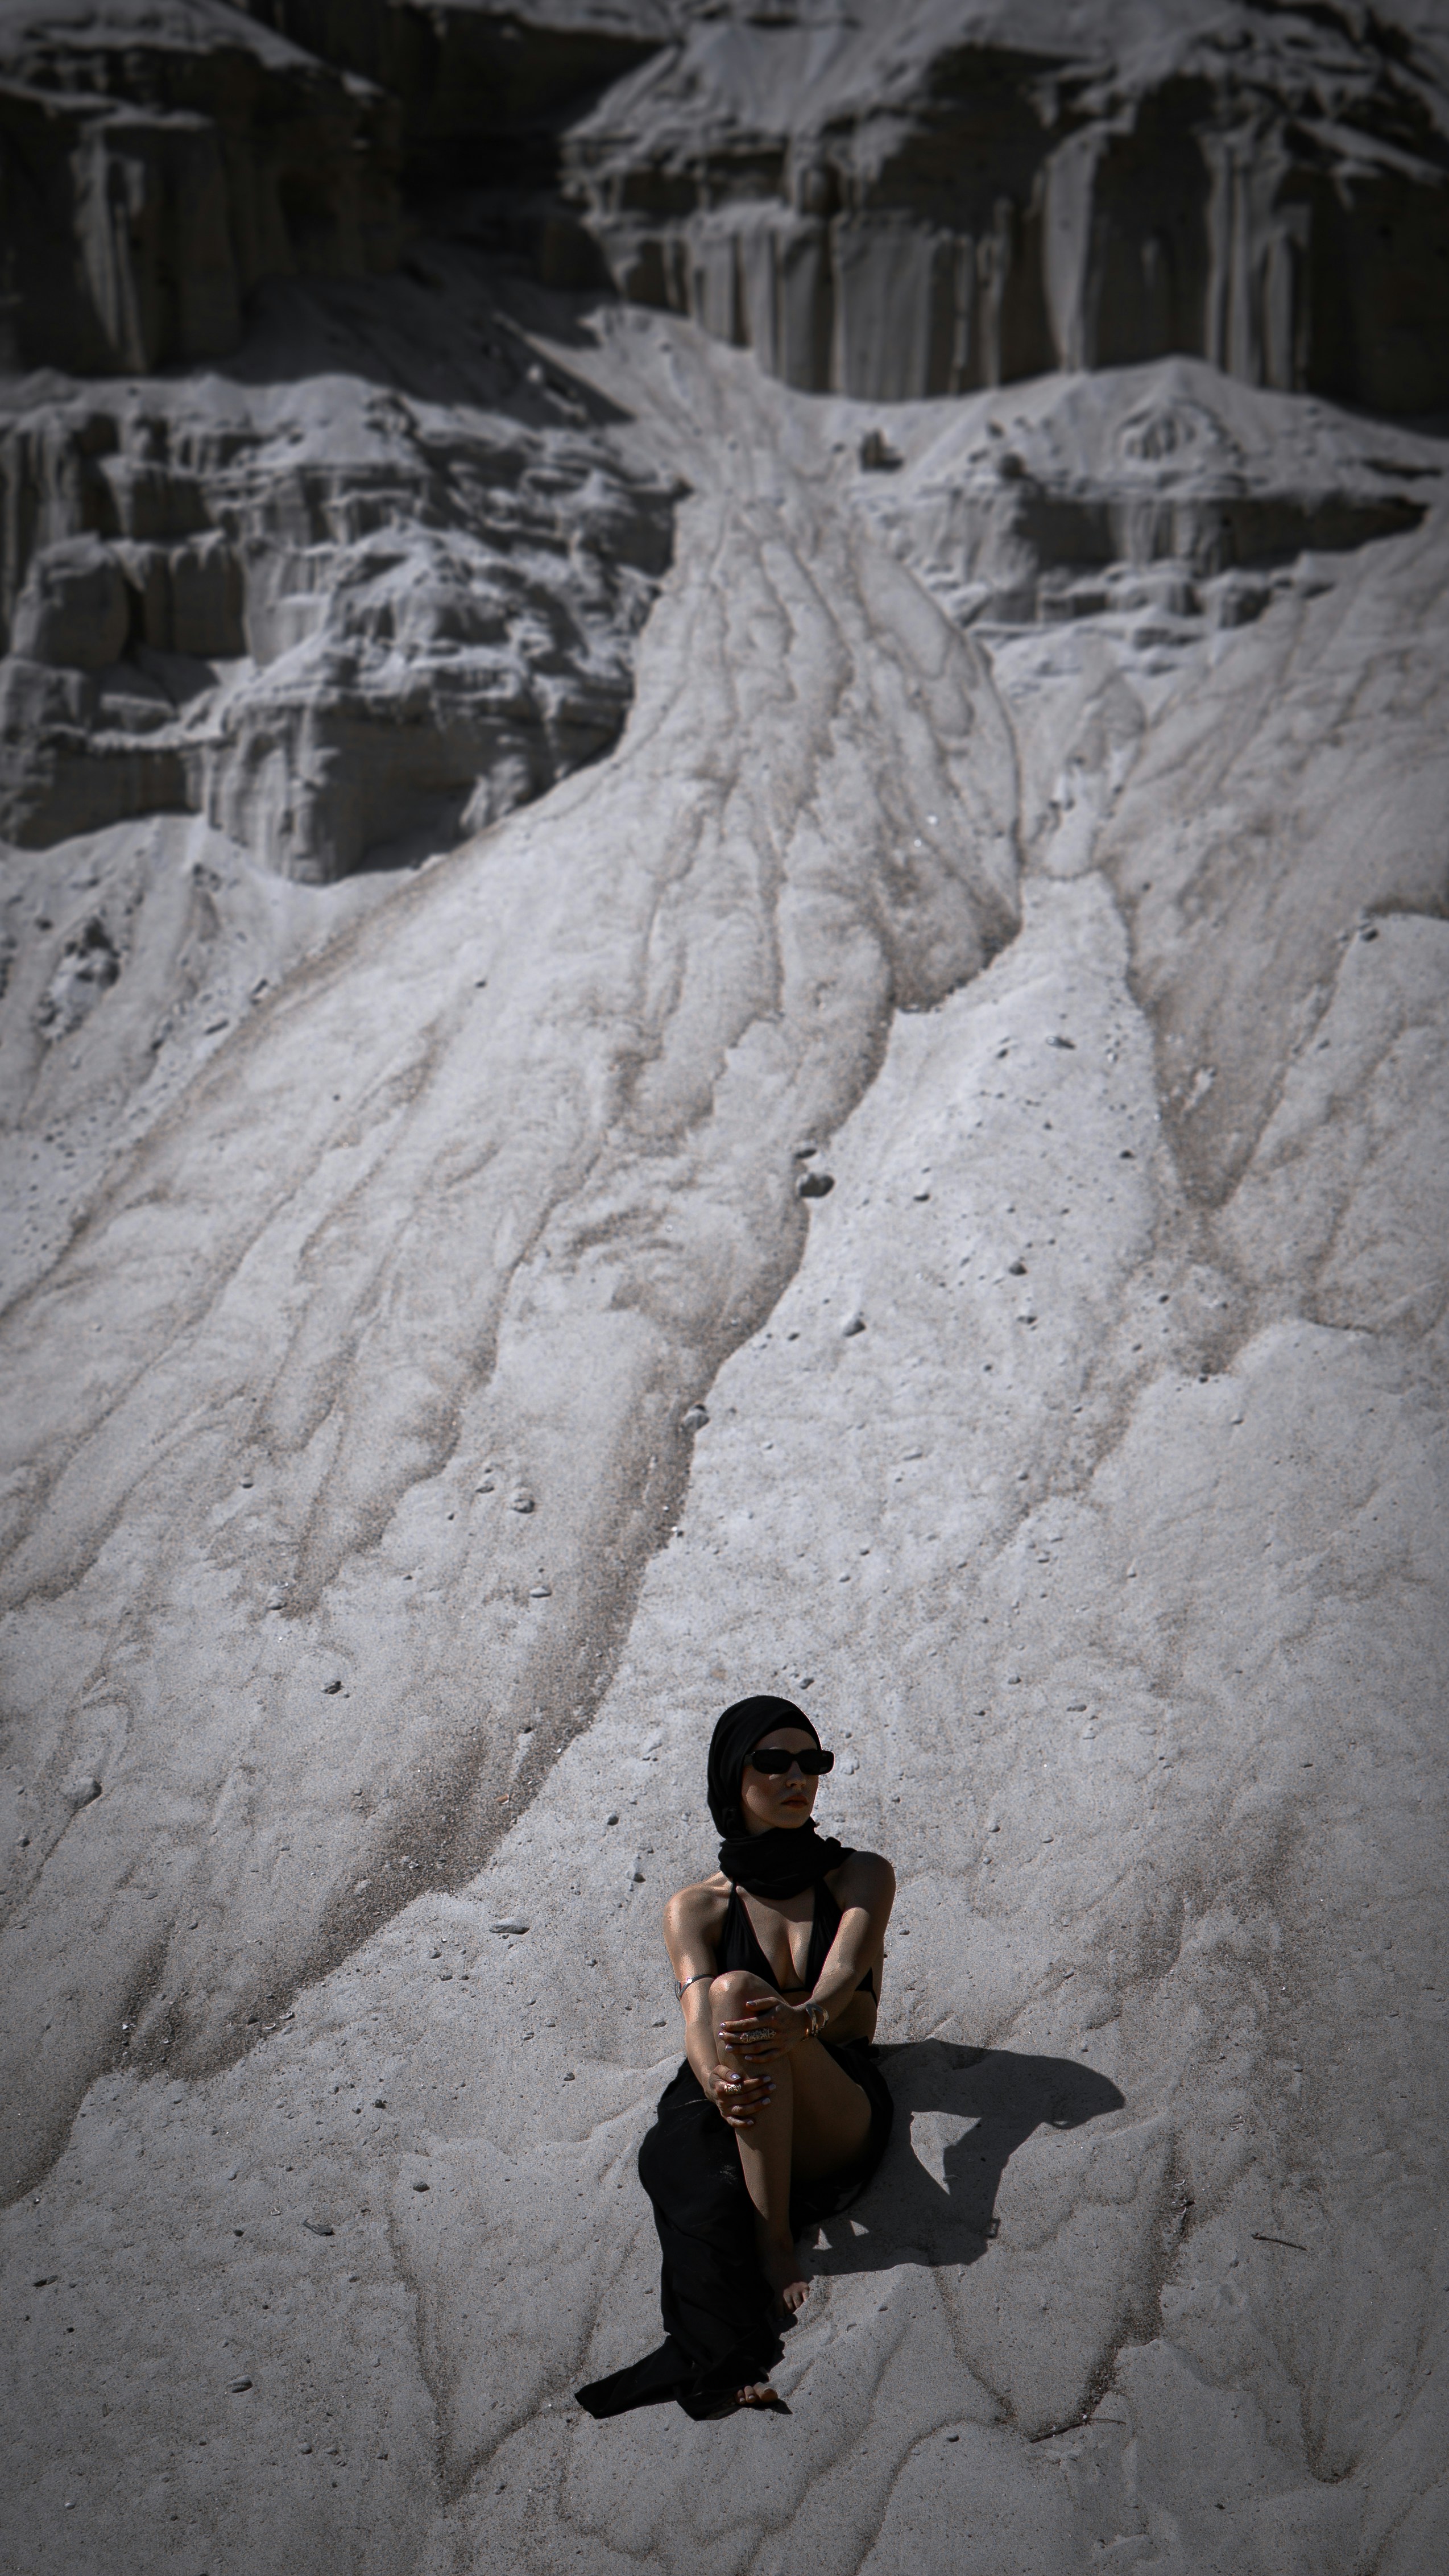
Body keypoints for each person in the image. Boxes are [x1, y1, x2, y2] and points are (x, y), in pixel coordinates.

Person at [576, 1694, 895, 2420]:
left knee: (742, 1988)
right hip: (740, 2097)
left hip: (834, 2097)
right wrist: (715, 2081)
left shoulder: (861, 1874)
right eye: (773, 1761)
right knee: (689, 2135)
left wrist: (804, 2021)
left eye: (812, 1762)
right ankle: (723, 2351)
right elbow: (697, 2016)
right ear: (732, 1775)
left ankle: (774, 2238)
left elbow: (845, 1972)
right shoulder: (696, 1906)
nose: (797, 1777)